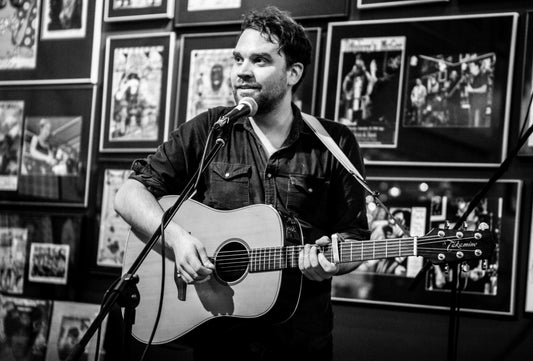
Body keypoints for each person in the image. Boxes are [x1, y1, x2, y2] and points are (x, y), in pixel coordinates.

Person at [114, 6, 369, 361]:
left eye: (260, 61)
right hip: (219, 341)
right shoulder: (210, 129)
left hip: (299, 344)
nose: (242, 72)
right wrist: (177, 240)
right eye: (238, 59)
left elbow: (354, 236)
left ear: (293, 72)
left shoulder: (334, 143)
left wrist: (331, 261)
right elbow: (129, 194)